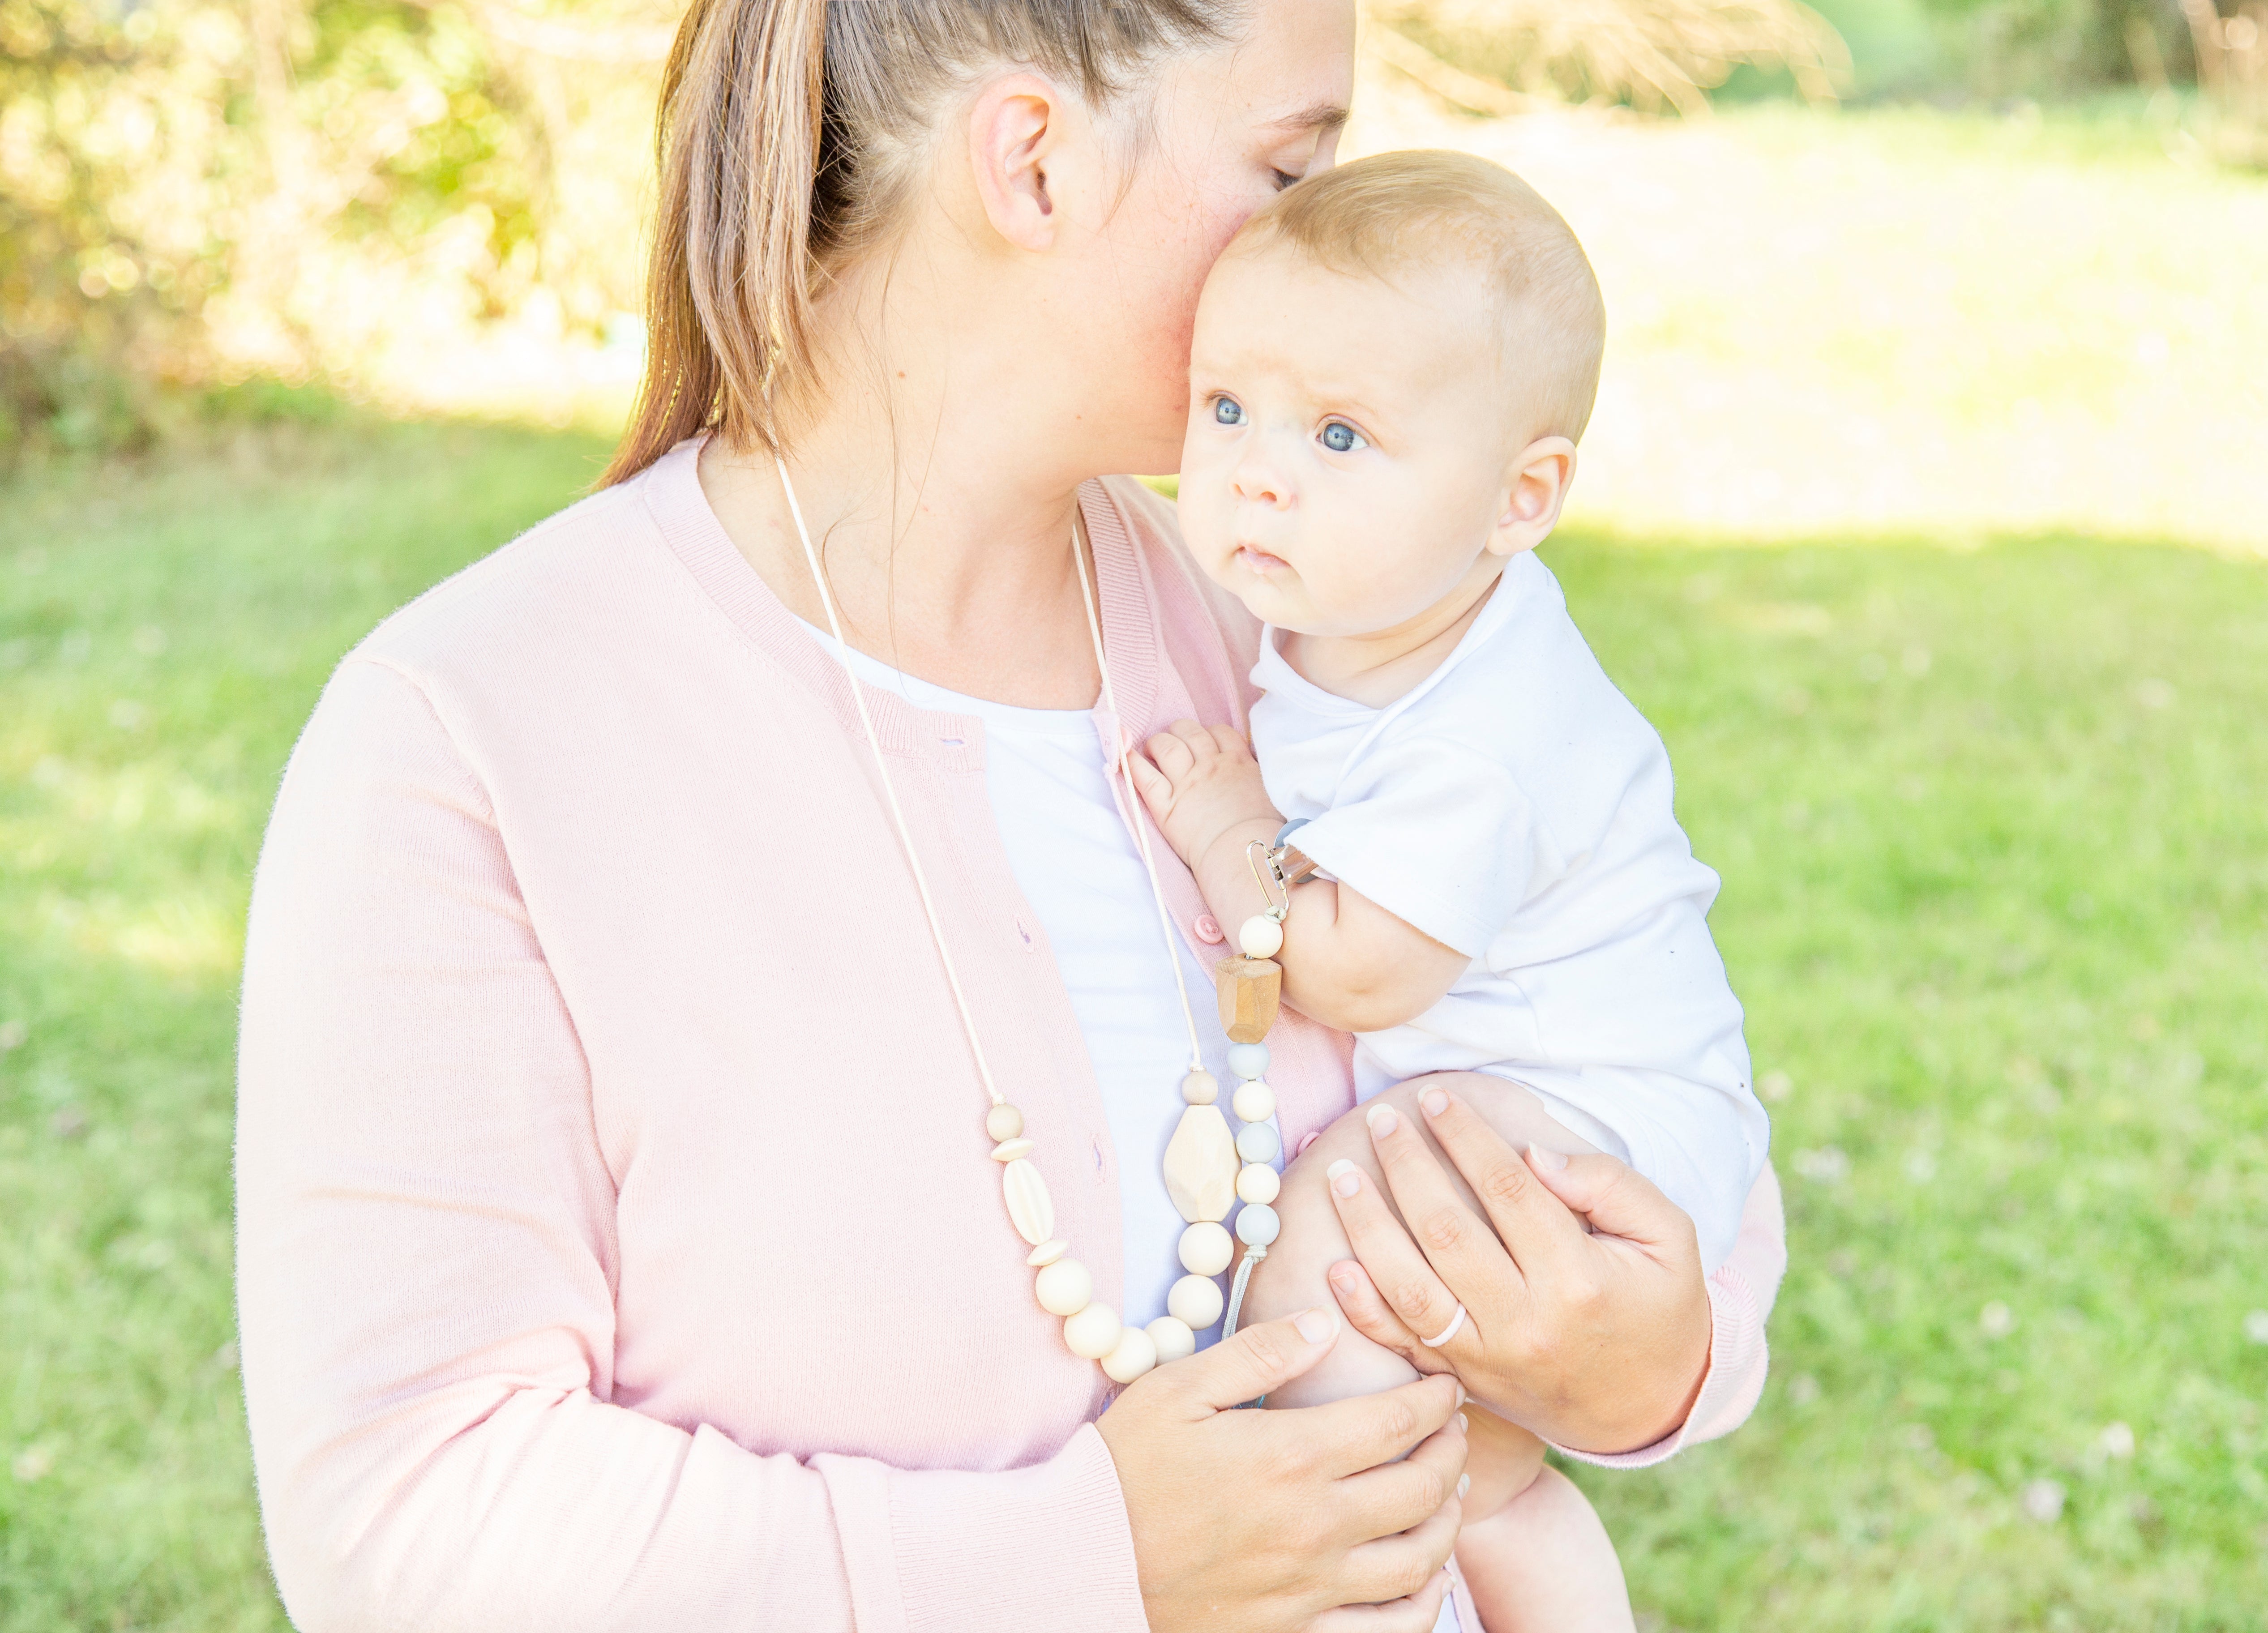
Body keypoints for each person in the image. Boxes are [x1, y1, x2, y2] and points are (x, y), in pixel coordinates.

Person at [233, 3, 1786, 1629]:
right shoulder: (472, 737)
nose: (1330, 245)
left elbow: (1622, 1043)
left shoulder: (1301, 624)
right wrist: (1092, 1562)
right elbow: (410, 1515)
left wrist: (1645, 1356)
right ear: (1032, 162)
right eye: (1286, 164)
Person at [1129, 150, 1768, 1629]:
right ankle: (1530, 1573)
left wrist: (1233, 834)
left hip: (1606, 1115)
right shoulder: (1365, 613)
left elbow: (1358, 970)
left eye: (1341, 435)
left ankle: (1346, 1540)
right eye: (1226, 409)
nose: (1259, 470)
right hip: (1564, 1089)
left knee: (1337, 1247)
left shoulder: (1488, 729)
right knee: (1491, 1470)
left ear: (1517, 497)